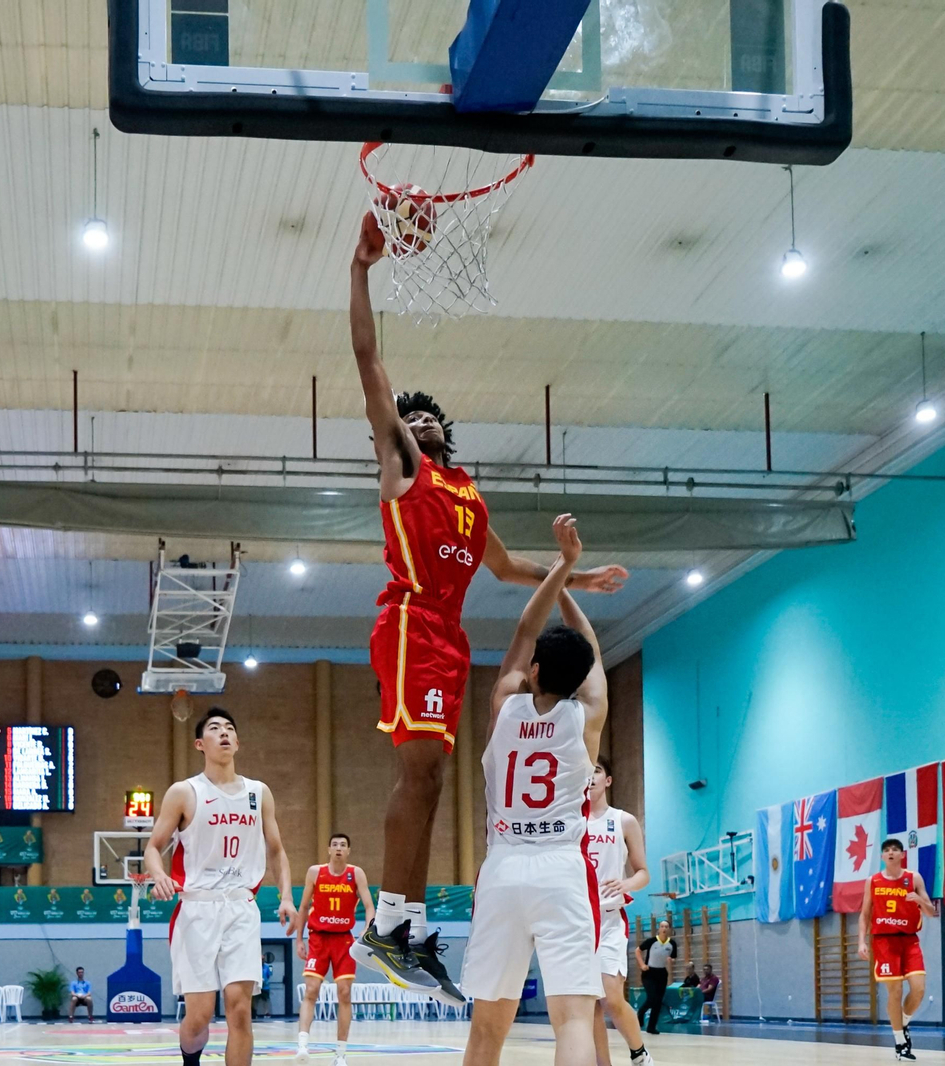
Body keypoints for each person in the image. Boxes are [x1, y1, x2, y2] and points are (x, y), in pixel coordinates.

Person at [348, 215, 630, 1004]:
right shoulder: (403, 469)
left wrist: (577, 575)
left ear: (448, 431)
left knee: (434, 780)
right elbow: (368, 360)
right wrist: (360, 269)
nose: (419, 417)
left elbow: (507, 567)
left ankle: (399, 928)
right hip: (407, 620)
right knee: (421, 770)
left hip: (446, 635)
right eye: (409, 415)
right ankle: (392, 928)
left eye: (429, 413)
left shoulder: (467, 495)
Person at [460, 515, 609, 1066]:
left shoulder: (505, 703)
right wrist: (574, 584)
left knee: (485, 1030)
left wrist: (563, 569)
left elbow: (526, 629)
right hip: (560, 869)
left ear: (536, 669)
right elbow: (588, 650)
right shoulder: (587, 717)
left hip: (502, 869)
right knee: (571, 1019)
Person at [144, 709, 297, 1066]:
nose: (224, 733)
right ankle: (190, 1061)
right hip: (197, 908)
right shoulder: (184, 792)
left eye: (230, 728)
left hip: (242, 907)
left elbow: (276, 850)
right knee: (199, 1015)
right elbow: (153, 847)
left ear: (238, 742)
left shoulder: (259, 793)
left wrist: (287, 896)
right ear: (201, 744)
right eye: (215, 729)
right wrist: (159, 875)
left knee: (240, 1009)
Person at [585, 759, 653, 1066]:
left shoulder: (623, 821)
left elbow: (643, 873)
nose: (590, 776)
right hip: (577, 922)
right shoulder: (570, 821)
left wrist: (625, 883)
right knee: (589, 1005)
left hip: (610, 919)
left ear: (608, 780)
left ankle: (639, 1053)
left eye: (597, 770)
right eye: (585, 770)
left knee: (611, 997)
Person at [295, 832, 375, 1066]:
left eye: (343, 845)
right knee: (311, 990)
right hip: (318, 938)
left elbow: (370, 907)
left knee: (345, 993)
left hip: (344, 939)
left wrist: (366, 930)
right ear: (329, 850)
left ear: (348, 851)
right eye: (335, 845)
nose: (338, 848)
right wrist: (299, 939)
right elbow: (303, 907)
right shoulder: (315, 872)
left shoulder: (355, 873)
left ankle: (340, 1054)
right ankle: (302, 1046)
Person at [857, 837, 937, 1061]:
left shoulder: (914, 878)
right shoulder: (872, 881)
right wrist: (861, 942)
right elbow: (864, 915)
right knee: (895, 991)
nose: (891, 853)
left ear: (902, 855)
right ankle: (900, 1041)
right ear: (882, 856)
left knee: (919, 989)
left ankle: (903, 1021)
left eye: (895, 850)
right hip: (884, 941)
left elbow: (931, 911)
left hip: (909, 940)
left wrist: (920, 902)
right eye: (886, 850)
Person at [635, 921, 676, 1035]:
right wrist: (642, 965)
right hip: (649, 973)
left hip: (662, 973)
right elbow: (638, 950)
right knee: (652, 997)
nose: (664, 929)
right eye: (662, 926)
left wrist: (671, 960)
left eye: (666, 927)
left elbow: (673, 958)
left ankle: (651, 1027)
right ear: (659, 928)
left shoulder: (672, 944)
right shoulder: (651, 941)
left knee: (658, 1001)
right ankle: (641, 1012)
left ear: (669, 929)